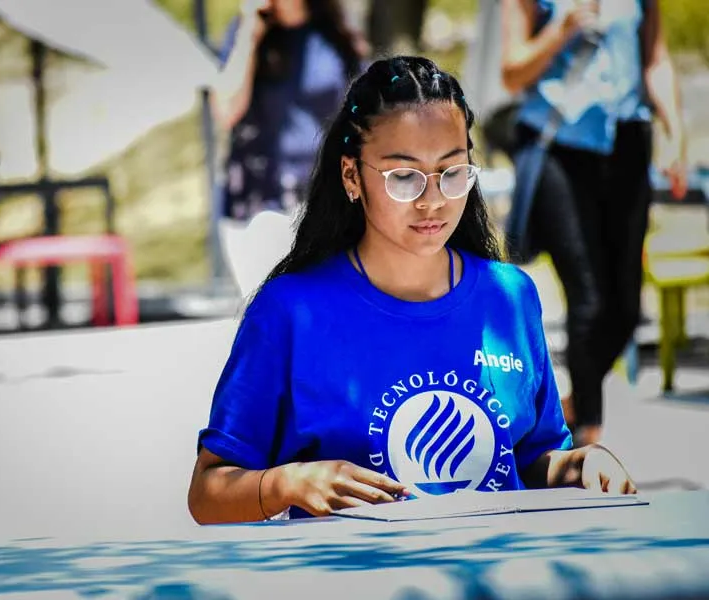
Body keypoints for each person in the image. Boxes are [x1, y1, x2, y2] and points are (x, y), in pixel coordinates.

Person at [187, 56, 637, 525]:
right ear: (351, 176)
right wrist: (287, 483)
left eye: (453, 172)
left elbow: (534, 457)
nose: (433, 199)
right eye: (404, 176)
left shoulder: (510, 296)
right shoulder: (289, 312)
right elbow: (208, 492)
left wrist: (580, 463)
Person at [500, 0, 689, 446]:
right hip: (559, 145)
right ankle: (587, 440)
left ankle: (565, 407)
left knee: (624, 310)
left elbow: (655, 60)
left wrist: (676, 131)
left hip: (627, 143)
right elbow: (511, 73)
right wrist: (561, 29)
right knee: (588, 300)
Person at [214, 0, 367, 221]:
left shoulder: (336, 29)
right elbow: (226, 111)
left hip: (325, 196)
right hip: (260, 203)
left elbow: (363, 111)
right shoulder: (246, 32)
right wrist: (249, 32)